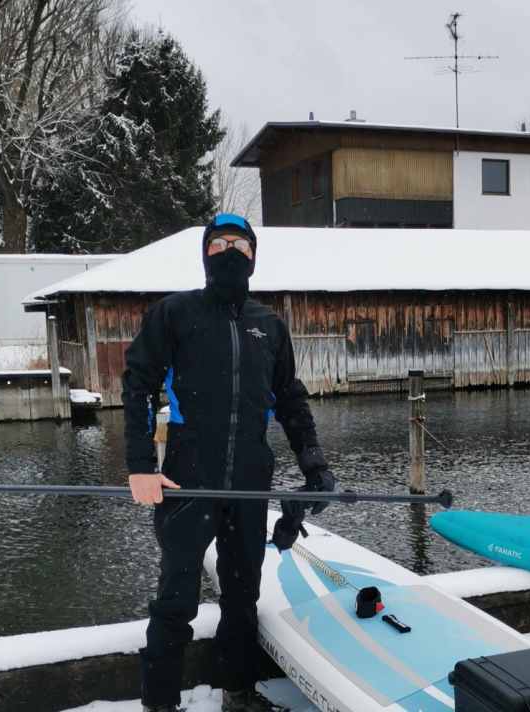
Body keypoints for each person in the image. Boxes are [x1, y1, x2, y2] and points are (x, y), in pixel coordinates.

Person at [123, 213, 335, 712]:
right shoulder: (175, 314)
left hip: (249, 484)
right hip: (187, 481)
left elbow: (290, 399)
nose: (230, 252)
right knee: (176, 599)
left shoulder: (269, 325)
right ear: (205, 255)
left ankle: (237, 694)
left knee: (242, 598)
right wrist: (140, 465)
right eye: (219, 244)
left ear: (253, 256)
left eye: (240, 244)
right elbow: (138, 385)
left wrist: (314, 465)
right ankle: (159, 703)